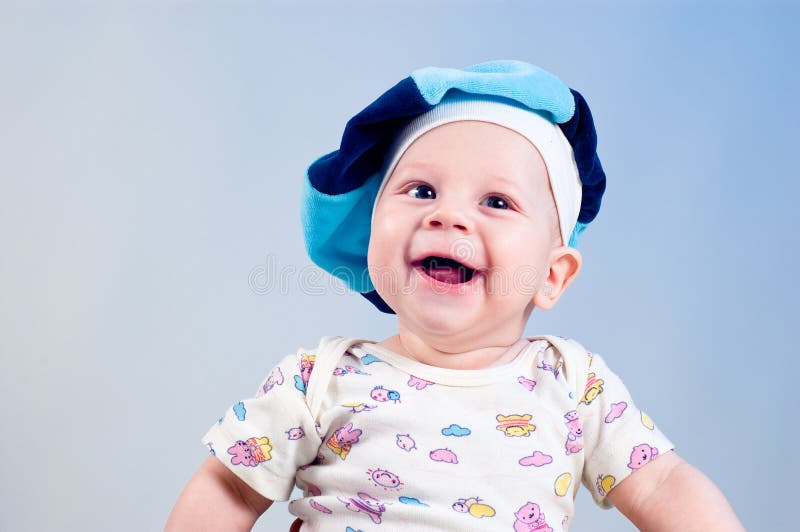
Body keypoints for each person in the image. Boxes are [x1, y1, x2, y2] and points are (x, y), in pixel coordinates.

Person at [166, 60, 743, 531]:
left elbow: (665, 485)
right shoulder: (319, 381)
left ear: (552, 274)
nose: (448, 216)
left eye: (496, 202)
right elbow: (227, 489)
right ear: (371, 237)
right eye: (421, 190)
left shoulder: (572, 384)